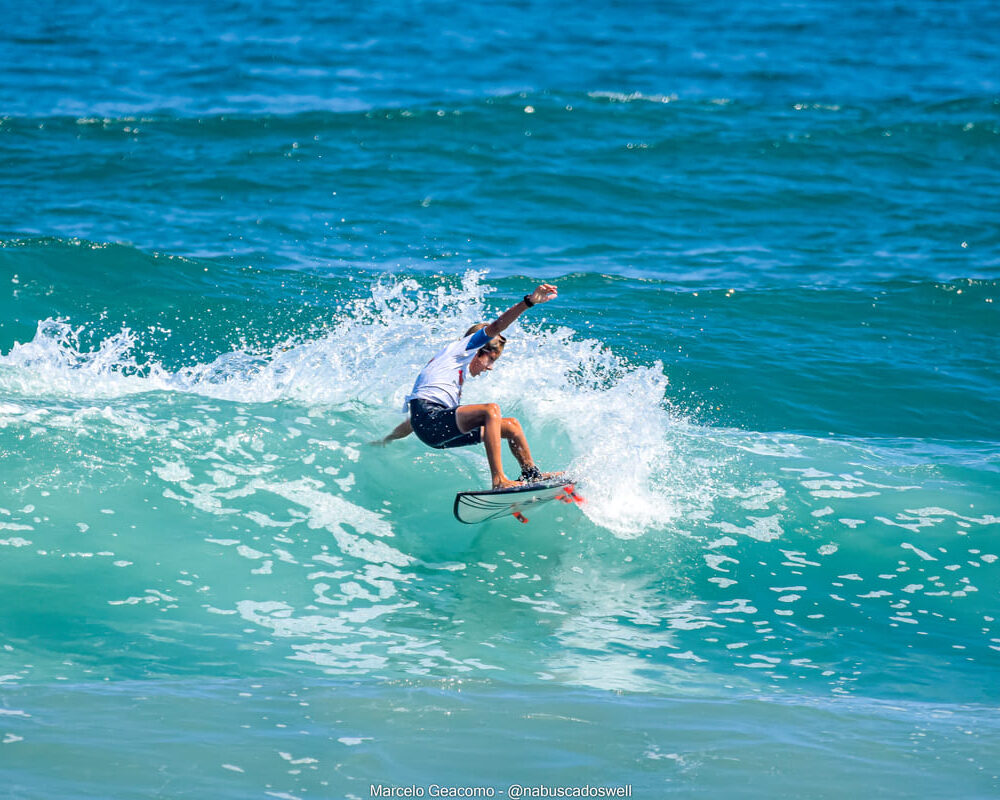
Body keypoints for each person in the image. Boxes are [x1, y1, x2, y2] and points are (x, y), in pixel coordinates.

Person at [375, 283, 558, 489]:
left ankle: (532, 475)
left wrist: (388, 438)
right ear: (480, 349)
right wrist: (529, 302)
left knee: (511, 426)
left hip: (434, 428)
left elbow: (414, 421)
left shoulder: (449, 373)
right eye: (491, 360)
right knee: (491, 410)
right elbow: (497, 325)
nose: (489, 368)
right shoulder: (463, 349)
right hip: (431, 423)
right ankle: (499, 480)